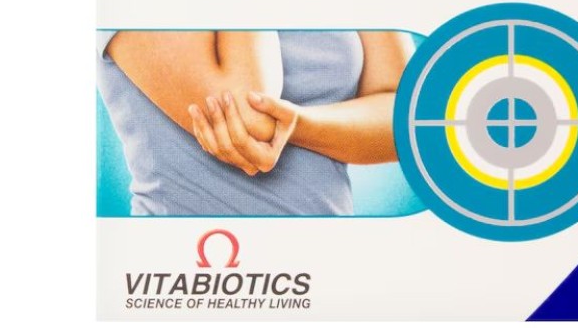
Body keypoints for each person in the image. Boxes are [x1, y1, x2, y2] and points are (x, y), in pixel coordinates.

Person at [97, 29, 412, 216]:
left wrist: (299, 124)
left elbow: (403, 117)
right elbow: (250, 116)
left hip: (327, 265)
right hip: (193, 273)